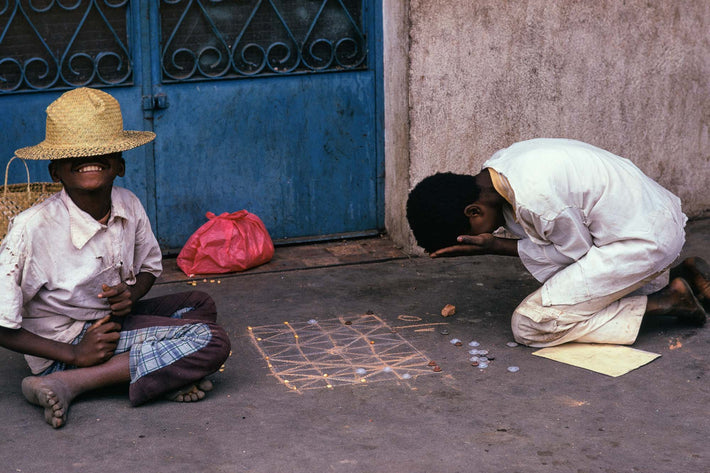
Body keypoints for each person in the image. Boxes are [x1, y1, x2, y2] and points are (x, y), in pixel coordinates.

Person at [0, 87, 231, 428]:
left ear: (120, 165)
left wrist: (130, 296)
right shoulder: (31, 228)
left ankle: (152, 372)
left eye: (101, 150)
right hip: (64, 346)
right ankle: (68, 381)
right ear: (55, 173)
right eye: (74, 153)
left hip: (107, 324)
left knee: (200, 303)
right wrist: (74, 354)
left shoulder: (128, 204)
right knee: (211, 339)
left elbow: (150, 268)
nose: (89, 157)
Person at [406, 138, 708, 347]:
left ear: (474, 211)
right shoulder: (500, 167)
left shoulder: (536, 201)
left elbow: (575, 258)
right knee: (585, 294)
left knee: (530, 324)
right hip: (648, 214)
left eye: (470, 234)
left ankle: (668, 300)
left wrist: (495, 247)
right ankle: (682, 275)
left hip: (646, 239)